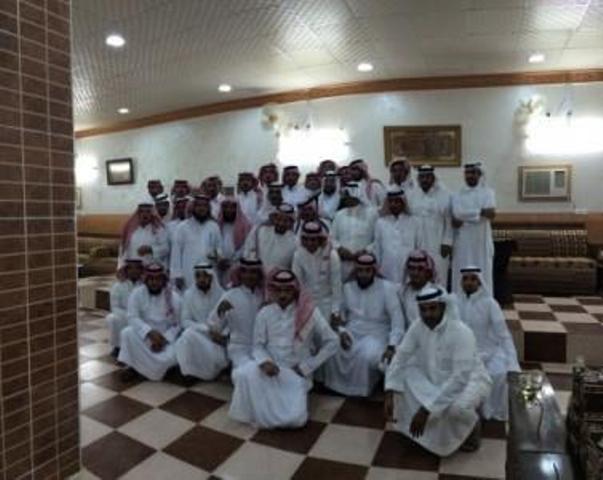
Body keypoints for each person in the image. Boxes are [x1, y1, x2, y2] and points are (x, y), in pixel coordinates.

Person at [384, 286, 492, 456]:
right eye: (423, 309)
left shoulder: (462, 332)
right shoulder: (418, 326)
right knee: (402, 377)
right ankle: (430, 435)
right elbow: (401, 356)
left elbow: (460, 378)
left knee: (456, 409)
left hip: (470, 381)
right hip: (435, 377)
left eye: (433, 308)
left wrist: (426, 409)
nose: (428, 314)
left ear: (443, 307)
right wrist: (389, 390)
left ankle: (473, 425)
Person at [229, 269, 338, 428]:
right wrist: (265, 362)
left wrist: (307, 366)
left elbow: (333, 342)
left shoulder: (310, 313)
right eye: (278, 290)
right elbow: (257, 346)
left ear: (295, 291)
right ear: (272, 290)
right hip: (270, 370)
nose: (282, 295)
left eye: (287, 290)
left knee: (295, 420)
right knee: (242, 374)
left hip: (296, 372)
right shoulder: (265, 313)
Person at [323, 253, 404, 397]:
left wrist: (392, 346)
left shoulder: (387, 288)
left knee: (367, 355)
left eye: (368, 270)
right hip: (352, 330)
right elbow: (338, 315)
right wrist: (342, 332)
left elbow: (397, 321)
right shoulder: (347, 287)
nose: (364, 274)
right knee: (333, 346)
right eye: (360, 270)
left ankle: (362, 390)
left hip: (378, 333)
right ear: (356, 271)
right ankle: (336, 386)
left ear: (374, 271)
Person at [455, 266, 519, 421]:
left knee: (498, 374)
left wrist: (513, 363)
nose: (469, 282)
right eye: (465, 279)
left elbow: (503, 335)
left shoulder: (490, 304)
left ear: (480, 282)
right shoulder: (454, 302)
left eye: (473, 279)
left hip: (487, 352)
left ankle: (490, 413)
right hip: (460, 353)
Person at [118, 263, 182, 381]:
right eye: (151, 279)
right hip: (145, 337)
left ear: (163, 280)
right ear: (145, 280)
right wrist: (149, 332)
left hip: (166, 339)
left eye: (158, 279)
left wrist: (164, 339)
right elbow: (132, 317)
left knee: (174, 353)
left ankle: (141, 368)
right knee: (127, 333)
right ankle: (134, 367)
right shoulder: (137, 294)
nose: (154, 282)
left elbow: (178, 324)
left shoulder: (174, 297)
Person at [207, 257, 265, 368]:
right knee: (250, 370)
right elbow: (214, 326)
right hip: (239, 349)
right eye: (245, 272)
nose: (249, 276)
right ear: (240, 274)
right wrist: (220, 314)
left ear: (259, 275)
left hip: (262, 349)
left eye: (253, 272)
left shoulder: (264, 296)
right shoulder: (230, 296)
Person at [175, 264, 228, 380]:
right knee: (186, 336)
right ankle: (188, 373)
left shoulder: (223, 295)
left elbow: (229, 322)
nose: (201, 279)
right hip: (199, 335)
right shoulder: (188, 295)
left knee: (188, 336)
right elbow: (185, 321)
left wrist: (223, 336)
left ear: (212, 277)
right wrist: (206, 329)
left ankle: (214, 370)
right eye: (198, 276)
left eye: (205, 276)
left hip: (217, 341)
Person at [451, 162, 496, 294]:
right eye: (467, 173)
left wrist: (466, 216)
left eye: (473, 173)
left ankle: (484, 303)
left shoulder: (488, 193)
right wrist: (480, 213)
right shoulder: (457, 194)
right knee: (461, 270)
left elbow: (491, 214)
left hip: (481, 241)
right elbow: (457, 215)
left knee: (483, 271)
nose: (470, 176)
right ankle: (459, 302)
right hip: (463, 241)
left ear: (479, 174)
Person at [410, 165, 453, 288]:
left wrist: (447, 242)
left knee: (439, 275)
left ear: (433, 178)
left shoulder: (445, 195)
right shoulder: (413, 195)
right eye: (422, 177)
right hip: (418, 243)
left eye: (428, 177)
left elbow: (449, 220)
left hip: (438, 243)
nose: (425, 180)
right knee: (419, 275)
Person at [292, 221, 342, 323]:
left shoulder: (332, 255)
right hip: (306, 303)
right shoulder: (298, 256)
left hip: (327, 303)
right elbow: (298, 285)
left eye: (313, 239)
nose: (310, 243)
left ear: (320, 239)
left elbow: (336, 286)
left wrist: (335, 311)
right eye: (306, 239)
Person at [170, 194, 222, 290]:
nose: (201, 208)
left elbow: (219, 248)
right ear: (193, 208)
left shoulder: (214, 226)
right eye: (199, 205)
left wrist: (217, 254)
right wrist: (177, 274)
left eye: (204, 206)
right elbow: (176, 253)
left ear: (208, 208)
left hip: (209, 271)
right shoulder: (182, 227)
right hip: (188, 272)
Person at [331, 183, 378, 280]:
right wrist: (339, 249)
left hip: (365, 264)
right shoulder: (339, 215)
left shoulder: (372, 214)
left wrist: (366, 251)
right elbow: (331, 238)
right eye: (345, 196)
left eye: (349, 196)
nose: (346, 199)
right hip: (343, 263)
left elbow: (378, 239)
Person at [373, 188, 420, 285]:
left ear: (403, 203)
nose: (393, 204)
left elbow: (419, 247)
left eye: (397, 201)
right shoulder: (380, 223)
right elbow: (377, 248)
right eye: (390, 201)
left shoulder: (414, 222)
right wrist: (377, 269)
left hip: (409, 270)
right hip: (386, 270)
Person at [106, 258, 144, 358]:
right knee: (113, 318)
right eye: (131, 268)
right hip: (124, 315)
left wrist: (136, 316)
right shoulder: (118, 286)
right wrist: (129, 316)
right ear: (126, 270)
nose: (134, 271)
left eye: (137, 268)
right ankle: (118, 347)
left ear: (141, 270)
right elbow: (115, 307)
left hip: (141, 316)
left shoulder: (145, 285)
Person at [244, 203, 297, 272]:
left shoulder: (295, 242)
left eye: (286, 221)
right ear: (273, 218)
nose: (281, 223)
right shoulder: (260, 231)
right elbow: (248, 251)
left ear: (291, 223)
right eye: (278, 219)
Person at [118, 200, 170, 268]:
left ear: (152, 214)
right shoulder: (130, 230)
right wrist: (121, 266)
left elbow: (166, 249)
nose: (145, 214)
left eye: (148, 212)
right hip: (133, 270)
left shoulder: (159, 229)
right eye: (142, 211)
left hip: (152, 270)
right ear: (138, 214)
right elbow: (123, 250)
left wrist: (151, 249)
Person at [216, 196, 252, 287]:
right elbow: (214, 243)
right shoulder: (217, 225)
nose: (229, 210)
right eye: (226, 207)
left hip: (237, 264)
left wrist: (232, 260)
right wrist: (220, 258)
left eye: (232, 207)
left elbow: (247, 245)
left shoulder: (245, 225)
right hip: (219, 265)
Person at [398, 251, 437, 329]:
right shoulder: (402, 292)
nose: (415, 273)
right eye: (412, 269)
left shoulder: (437, 293)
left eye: (420, 269)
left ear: (427, 272)